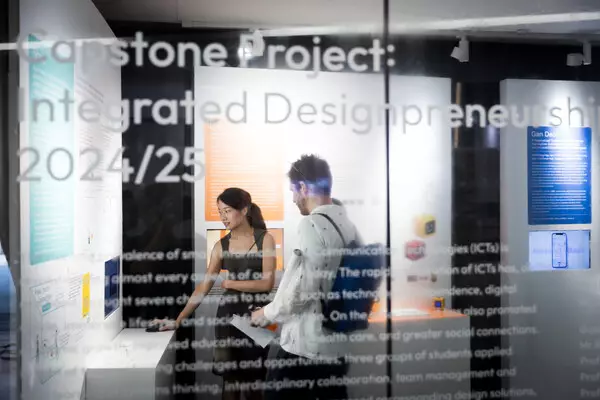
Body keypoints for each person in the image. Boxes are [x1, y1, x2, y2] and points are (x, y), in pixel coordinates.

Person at [153, 187, 276, 400]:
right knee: (230, 381)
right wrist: (179, 320)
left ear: (244, 210)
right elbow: (204, 286)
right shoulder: (221, 246)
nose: (223, 217)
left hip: (257, 318)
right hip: (228, 320)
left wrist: (231, 283)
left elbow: (267, 283)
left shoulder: (265, 239)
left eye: (227, 211)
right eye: (220, 212)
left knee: (255, 383)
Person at [251, 154, 357, 400]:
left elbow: (303, 289)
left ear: (303, 187)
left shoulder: (311, 224)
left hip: (305, 347)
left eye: (293, 191)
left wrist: (265, 313)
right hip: (336, 346)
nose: (293, 199)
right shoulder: (346, 224)